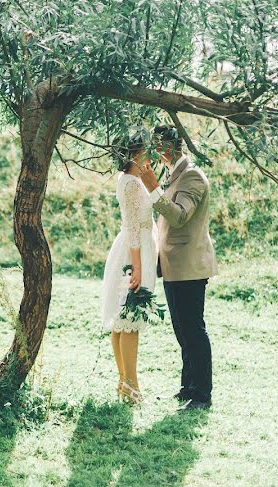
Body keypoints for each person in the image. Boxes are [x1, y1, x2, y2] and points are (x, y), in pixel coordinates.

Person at [139, 125, 217, 411]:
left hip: (190, 266)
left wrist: (152, 188)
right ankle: (188, 386)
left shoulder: (192, 176)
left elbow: (181, 216)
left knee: (193, 331)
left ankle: (202, 395)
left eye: (158, 147)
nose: (155, 153)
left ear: (169, 148)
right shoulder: (175, 176)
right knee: (182, 331)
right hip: (173, 265)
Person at [100, 138, 158, 405]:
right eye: (145, 150)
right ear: (134, 154)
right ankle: (131, 384)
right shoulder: (132, 183)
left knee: (122, 318)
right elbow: (134, 226)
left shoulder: (126, 179)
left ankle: (124, 380)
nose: (149, 154)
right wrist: (137, 266)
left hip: (133, 248)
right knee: (130, 318)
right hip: (135, 252)